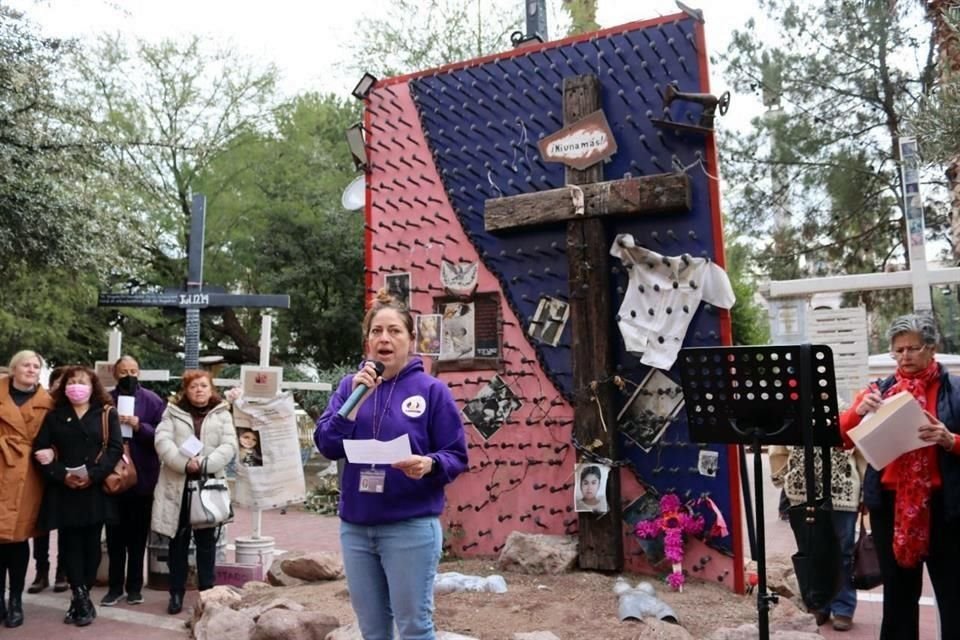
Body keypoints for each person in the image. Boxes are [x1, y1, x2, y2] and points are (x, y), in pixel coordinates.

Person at [315, 289, 468, 640]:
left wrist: (428, 464)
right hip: (356, 527)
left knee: (414, 627)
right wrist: (353, 402)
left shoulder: (432, 391)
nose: (384, 338)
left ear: (411, 339)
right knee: (372, 630)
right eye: (376, 331)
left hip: (410, 527)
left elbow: (456, 455)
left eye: (394, 331)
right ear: (367, 340)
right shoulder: (349, 387)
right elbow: (327, 443)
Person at [839, 314, 960, 640]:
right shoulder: (879, 390)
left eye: (913, 348)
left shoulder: (955, 389)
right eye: (898, 350)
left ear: (932, 348)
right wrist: (860, 411)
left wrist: (951, 440)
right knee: (898, 596)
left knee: (953, 592)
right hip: (890, 507)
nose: (905, 356)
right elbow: (842, 437)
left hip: (944, 506)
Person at [33, 365, 122, 627]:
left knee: (92, 545)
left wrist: (93, 475)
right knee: (69, 543)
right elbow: (40, 449)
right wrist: (62, 474)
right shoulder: (55, 415)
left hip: (94, 487)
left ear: (93, 386)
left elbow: (115, 448)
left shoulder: (106, 413)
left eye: (82, 381)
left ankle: (81, 597)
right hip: (65, 489)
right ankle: (80, 597)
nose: (76, 386)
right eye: (71, 382)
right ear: (64, 387)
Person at [152, 370, 237, 615]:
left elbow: (229, 445)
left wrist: (204, 463)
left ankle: (207, 593)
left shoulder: (222, 413)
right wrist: (183, 462)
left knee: (206, 543)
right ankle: (176, 593)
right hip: (178, 486)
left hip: (208, 485)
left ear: (211, 389)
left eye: (203, 385)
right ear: (185, 390)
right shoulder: (172, 412)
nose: (199, 390)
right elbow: (162, 441)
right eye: (193, 386)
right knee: (177, 542)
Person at [769, 444, 865, 631]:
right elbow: (778, 445)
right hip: (803, 488)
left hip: (844, 489)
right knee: (811, 550)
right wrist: (784, 476)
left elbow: (862, 448)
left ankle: (843, 607)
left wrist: (864, 488)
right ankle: (818, 602)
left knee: (843, 552)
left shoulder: (853, 412)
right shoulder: (795, 412)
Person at [101, 355, 166, 607]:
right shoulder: (104, 400)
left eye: (134, 370)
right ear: (115, 374)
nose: (129, 374)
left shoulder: (152, 400)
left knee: (138, 538)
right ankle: (115, 586)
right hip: (113, 476)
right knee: (115, 536)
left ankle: (135, 587)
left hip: (143, 477)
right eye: (124, 370)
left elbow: (161, 436)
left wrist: (141, 426)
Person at [0, 351, 54, 628]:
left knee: (18, 538)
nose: (31, 370)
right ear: (13, 368)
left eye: (36, 366)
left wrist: (52, 453)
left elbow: (57, 437)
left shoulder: (49, 403)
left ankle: (16, 601)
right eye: (26, 365)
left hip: (28, 477)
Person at [27, 366, 68, 595]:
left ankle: (62, 572)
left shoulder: (70, 410)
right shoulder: (40, 406)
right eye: (60, 383)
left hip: (65, 473)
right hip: (39, 471)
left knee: (64, 525)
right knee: (39, 525)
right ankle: (41, 571)